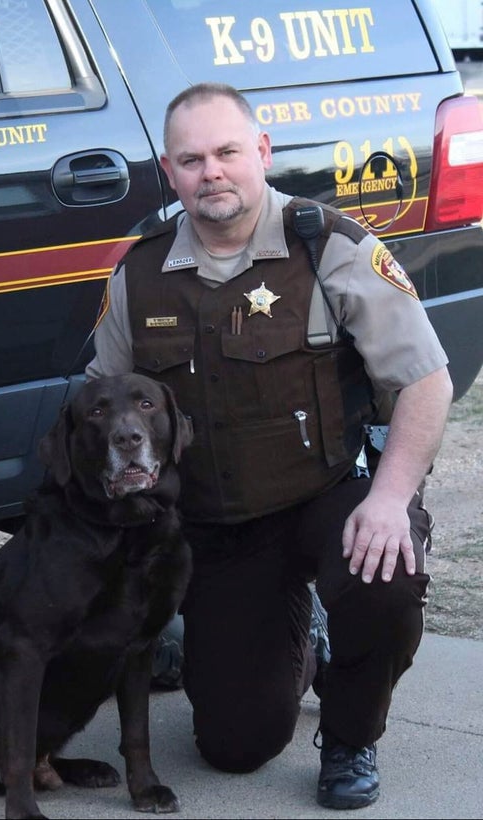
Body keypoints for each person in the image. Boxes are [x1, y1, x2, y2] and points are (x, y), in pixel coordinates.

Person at [86, 82, 453, 810]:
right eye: (191, 160)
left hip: (328, 495)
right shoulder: (139, 272)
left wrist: (388, 501)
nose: (210, 172)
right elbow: (101, 399)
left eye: (227, 152)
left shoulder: (331, 248)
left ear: (261, 151)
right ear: (170, 170)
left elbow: (426, 382)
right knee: (234, 746)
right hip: (221, 528)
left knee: (382, 575)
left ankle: (351, 734)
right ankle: (301, 640)